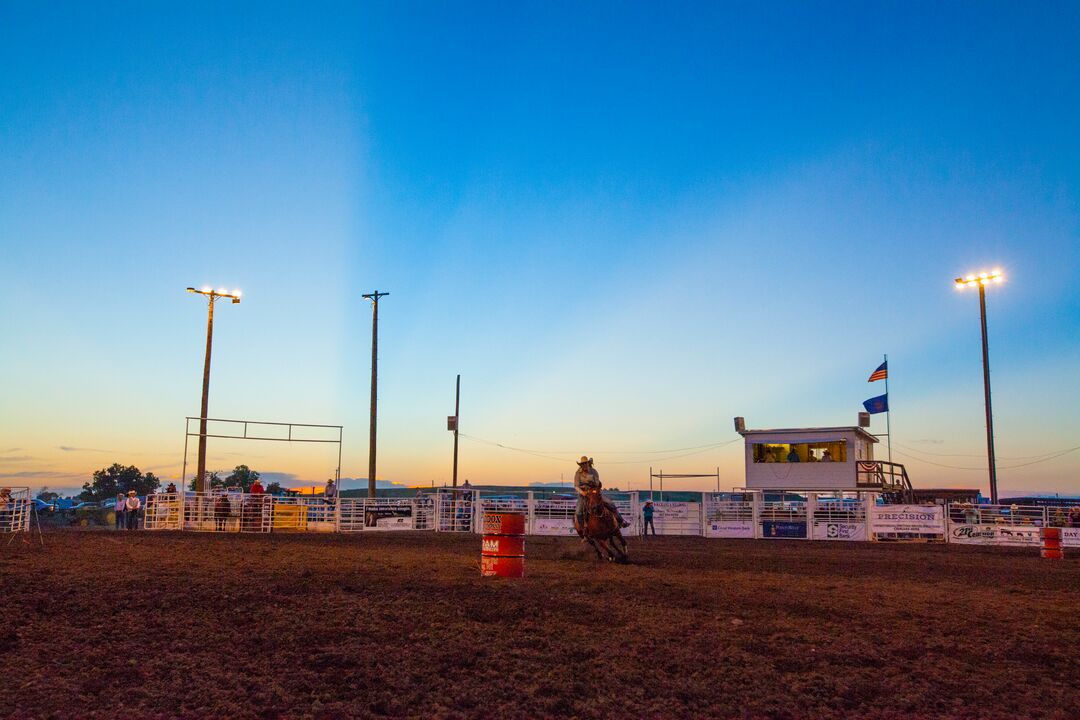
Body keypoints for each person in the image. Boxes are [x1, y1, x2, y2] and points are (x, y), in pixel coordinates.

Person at [574, 456, 628, 537]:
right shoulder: (578, 473)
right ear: (581, 465)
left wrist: (592, 485)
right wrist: (583, 492)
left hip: (594, 493)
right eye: (583, 464)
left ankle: (621, 521)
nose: (584, 465)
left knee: (610, 503)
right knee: (578, 512)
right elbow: (576, 486)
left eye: (585, 463)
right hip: (583, 495)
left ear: (588, 463)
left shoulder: (594, 472)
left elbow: (597, 483)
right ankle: (584, 529)